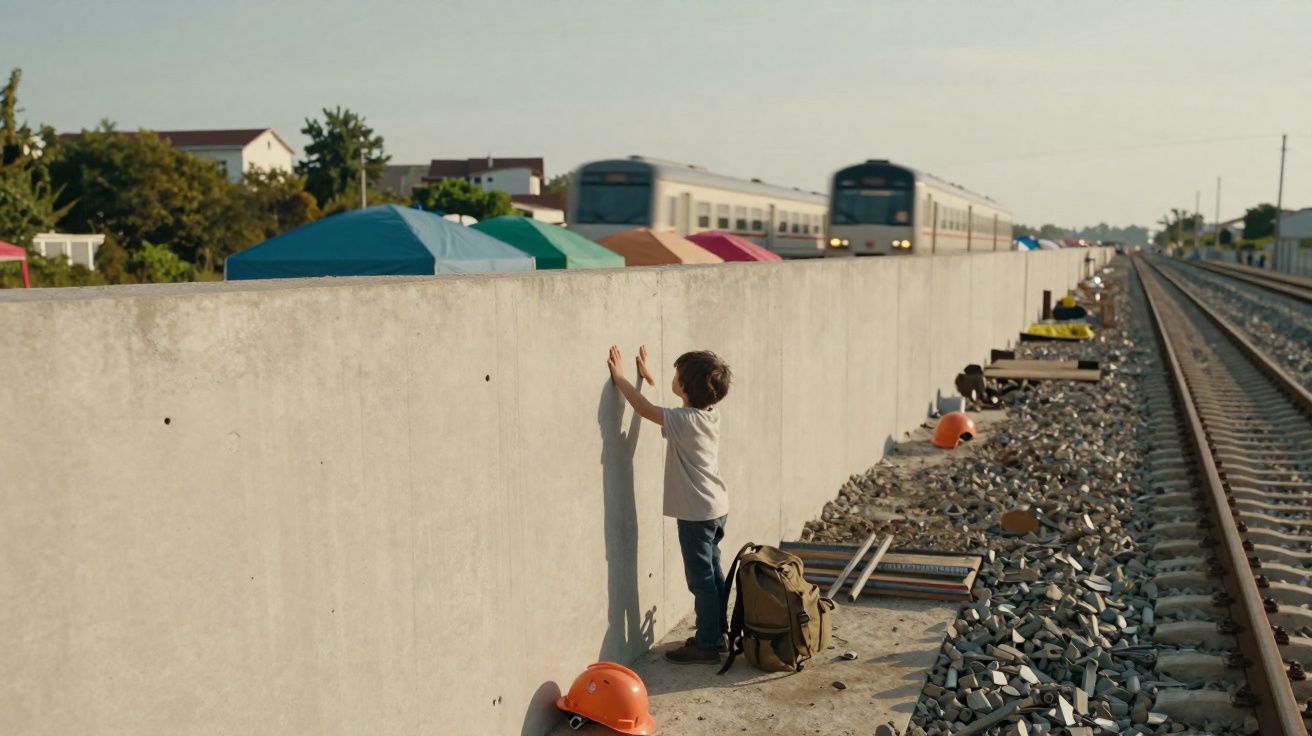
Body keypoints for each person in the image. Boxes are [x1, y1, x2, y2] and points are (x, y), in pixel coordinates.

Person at [606, 345, 733, 665]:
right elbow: (672, 408)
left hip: (695, 513)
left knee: (701, 580)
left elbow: (648, 411)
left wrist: (621, 379)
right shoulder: (708, 414)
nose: (673, 377)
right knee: (714, 575)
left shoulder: (684, 420)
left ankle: (706, 645)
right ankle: (716, 632)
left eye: (677, 375)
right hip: (714, 508)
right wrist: (647, 380)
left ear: (686, 387)